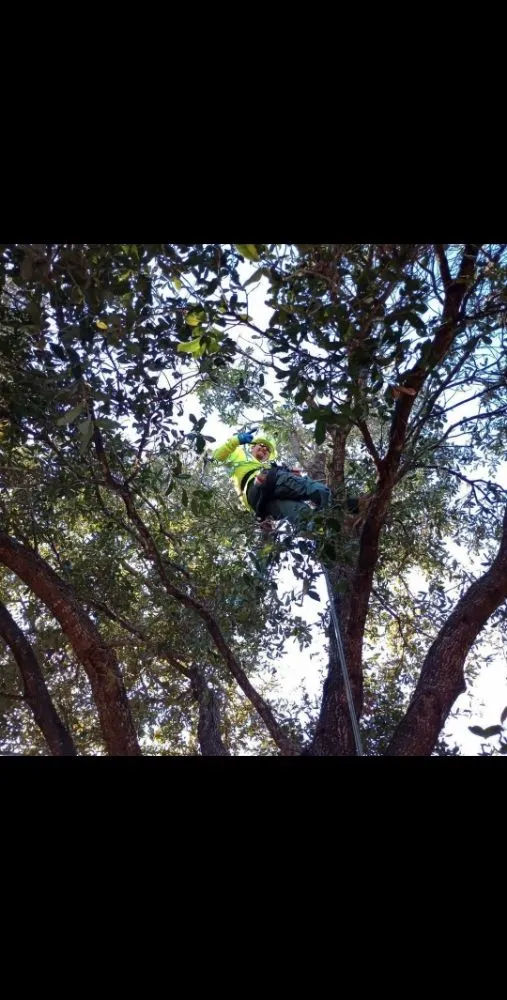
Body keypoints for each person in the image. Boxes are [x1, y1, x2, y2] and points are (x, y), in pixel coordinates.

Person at [213, 428, 332, 528]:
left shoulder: (266, 465)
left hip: (261, 502)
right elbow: (217, 458)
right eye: (262, 445)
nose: (264, 449)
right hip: (254, 491)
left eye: (267, 450)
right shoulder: (239, 454)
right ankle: (337, 504)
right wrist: (236, 441)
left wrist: (290, 472)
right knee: (306, 486)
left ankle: (323, 533)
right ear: (252, 447)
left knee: (300, 514)